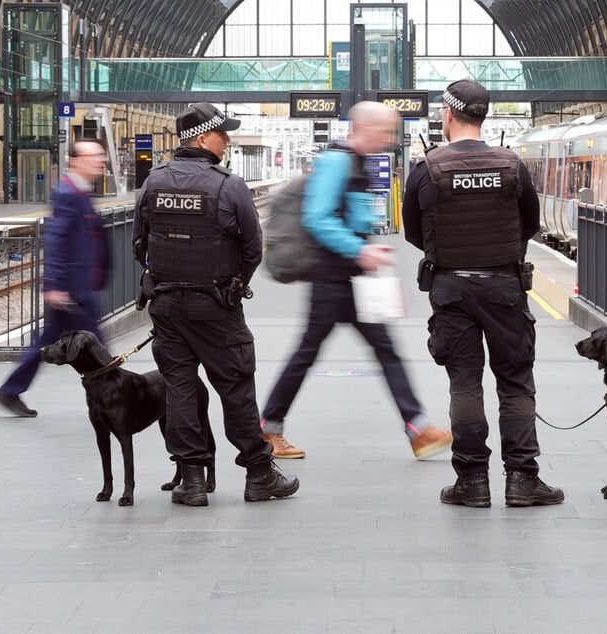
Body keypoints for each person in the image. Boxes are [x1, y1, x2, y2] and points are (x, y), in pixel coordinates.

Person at [401, 79, 564, 508]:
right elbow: (530, 223)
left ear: (448, 114)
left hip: (451, 289)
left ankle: (472, 482)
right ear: (483, 115)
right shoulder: (512, 165)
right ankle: (522, 480)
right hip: (505, 288)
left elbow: (414, 232)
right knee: (514, 384)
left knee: (465, 384)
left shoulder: (427, 168)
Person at [260, 100, 452, 461]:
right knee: (310, 353)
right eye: (385, 131)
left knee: (382, 352)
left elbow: (350, 218)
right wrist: (359, 250)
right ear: (365, 127)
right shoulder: (337, 162)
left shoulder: (356, 163)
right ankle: (269, 429)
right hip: (332, 279)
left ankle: (418, 429)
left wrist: (369, 250)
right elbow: (319, 218)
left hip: (353, 279)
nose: (389, 138)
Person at [133, 102, 298, 506]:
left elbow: (140, 242)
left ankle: (192, 480)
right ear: (204, 138)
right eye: (223, 134)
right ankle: (259, 475)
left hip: (167, 306)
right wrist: (232, 285)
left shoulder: (153, 183)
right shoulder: (228, 185)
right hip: (215, 306)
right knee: (236, 387)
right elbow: (252, 248)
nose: (227, 141)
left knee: (180, 389)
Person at [0, 140, 111, 417]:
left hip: (76, 286)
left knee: (47, 342)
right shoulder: (68, 193)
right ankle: (111, 397)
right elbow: (56, 239)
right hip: (72, 290)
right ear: (76, 161)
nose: (101, 160)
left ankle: (10, 390)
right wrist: (56, 284)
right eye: (94, 156)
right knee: (97, 345)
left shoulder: (79, 192)